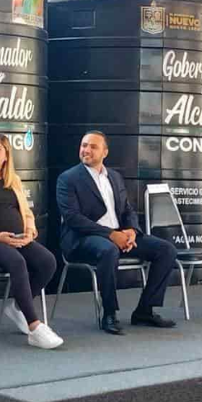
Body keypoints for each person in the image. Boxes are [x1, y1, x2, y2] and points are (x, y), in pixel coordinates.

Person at [55, 131, 178, 335]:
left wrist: (130, 231)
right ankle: (109, 313)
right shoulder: (68, 178)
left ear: (105, 152)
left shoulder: (114, 176)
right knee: (109, 250)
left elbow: (127, 209)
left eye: (93, 147)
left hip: (119, 237)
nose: (86, 150)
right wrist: (111, 235)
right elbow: (73, 218)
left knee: (166, 250)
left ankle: (144, 311)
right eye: (84, 145)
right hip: (82, 240)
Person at [0, 133, 63, 349]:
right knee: (17, 262)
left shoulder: (13, 180)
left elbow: (26, 213)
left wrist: (30, 231)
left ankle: (17, 307)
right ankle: (35, 327)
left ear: (6, 155)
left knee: (48, 261)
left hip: (16, 239)